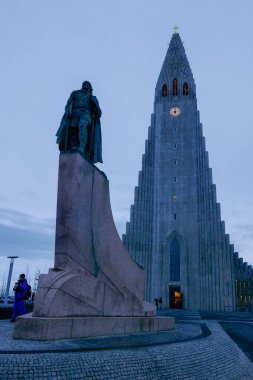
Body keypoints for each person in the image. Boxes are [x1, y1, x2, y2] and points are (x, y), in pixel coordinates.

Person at [56, 81, 102, 163]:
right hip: (75, 114)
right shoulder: (75, 93)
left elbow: (99, 113)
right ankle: (74, 148)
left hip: (86, 114)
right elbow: (68, 104)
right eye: (85, 85)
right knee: (73, 131)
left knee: (82, 125)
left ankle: (81, 148)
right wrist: (67, 111)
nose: (86, 87)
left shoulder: (92, 97)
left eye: (87, 86)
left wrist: (95, 104)